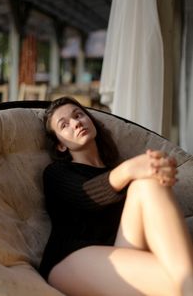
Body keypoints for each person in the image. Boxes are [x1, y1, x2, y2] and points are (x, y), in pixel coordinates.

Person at [39, 96, 193, 296]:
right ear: (61, 145)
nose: (76, 123)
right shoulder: (57, 172)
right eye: (65, 125)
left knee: (147, 182)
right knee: (178, 281)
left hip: (122, 250)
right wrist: (130, 169)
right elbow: (87, 193)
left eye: (79, 115)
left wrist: (153, 169)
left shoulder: (122, 175)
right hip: (71, 258)